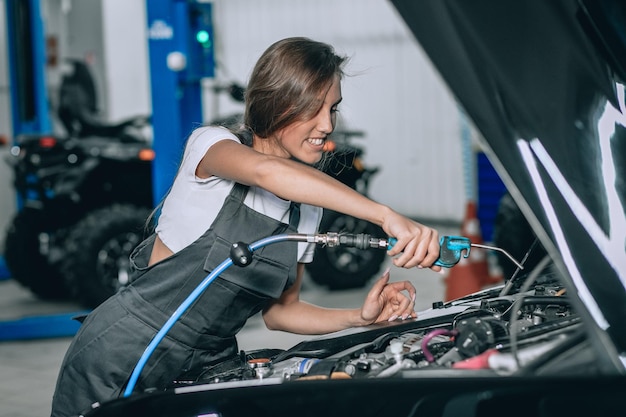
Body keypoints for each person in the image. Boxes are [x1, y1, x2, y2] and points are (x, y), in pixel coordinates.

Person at [50, 37, 441, 417]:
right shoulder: (212, 146)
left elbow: (282, 313)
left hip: (207, 366)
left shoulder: (304, 207)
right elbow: (265, 171)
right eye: (313, 108)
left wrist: (360, 317)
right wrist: (386, 215)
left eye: (333, 109)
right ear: (275, 102)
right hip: (124, 351)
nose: (326, 125)